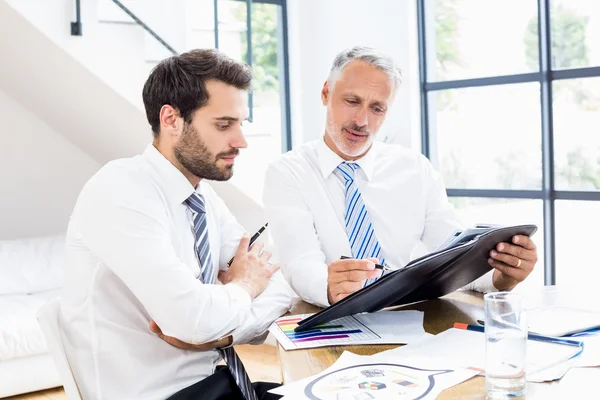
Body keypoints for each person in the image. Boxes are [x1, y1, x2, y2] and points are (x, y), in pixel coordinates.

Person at [60, 49, 292, 400]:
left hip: (217, 384)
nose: (240, 141)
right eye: (223, 124)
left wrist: (226, 333)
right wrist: (244, 286)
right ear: (171, 120)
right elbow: (193, 319)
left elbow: (279, 280)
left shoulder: (202, 197)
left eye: (241, 124)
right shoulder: (120, 190)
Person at [263, 46, 538, 307]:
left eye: (377, 108)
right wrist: (328, 285)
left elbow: (451, 255)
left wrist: (502, 275)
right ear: (326, 93)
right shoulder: (287, 173)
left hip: (408, 318)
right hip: (330, 318)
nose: (362, 121)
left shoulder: (415, 170)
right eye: (351, 101)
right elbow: (299, 262)